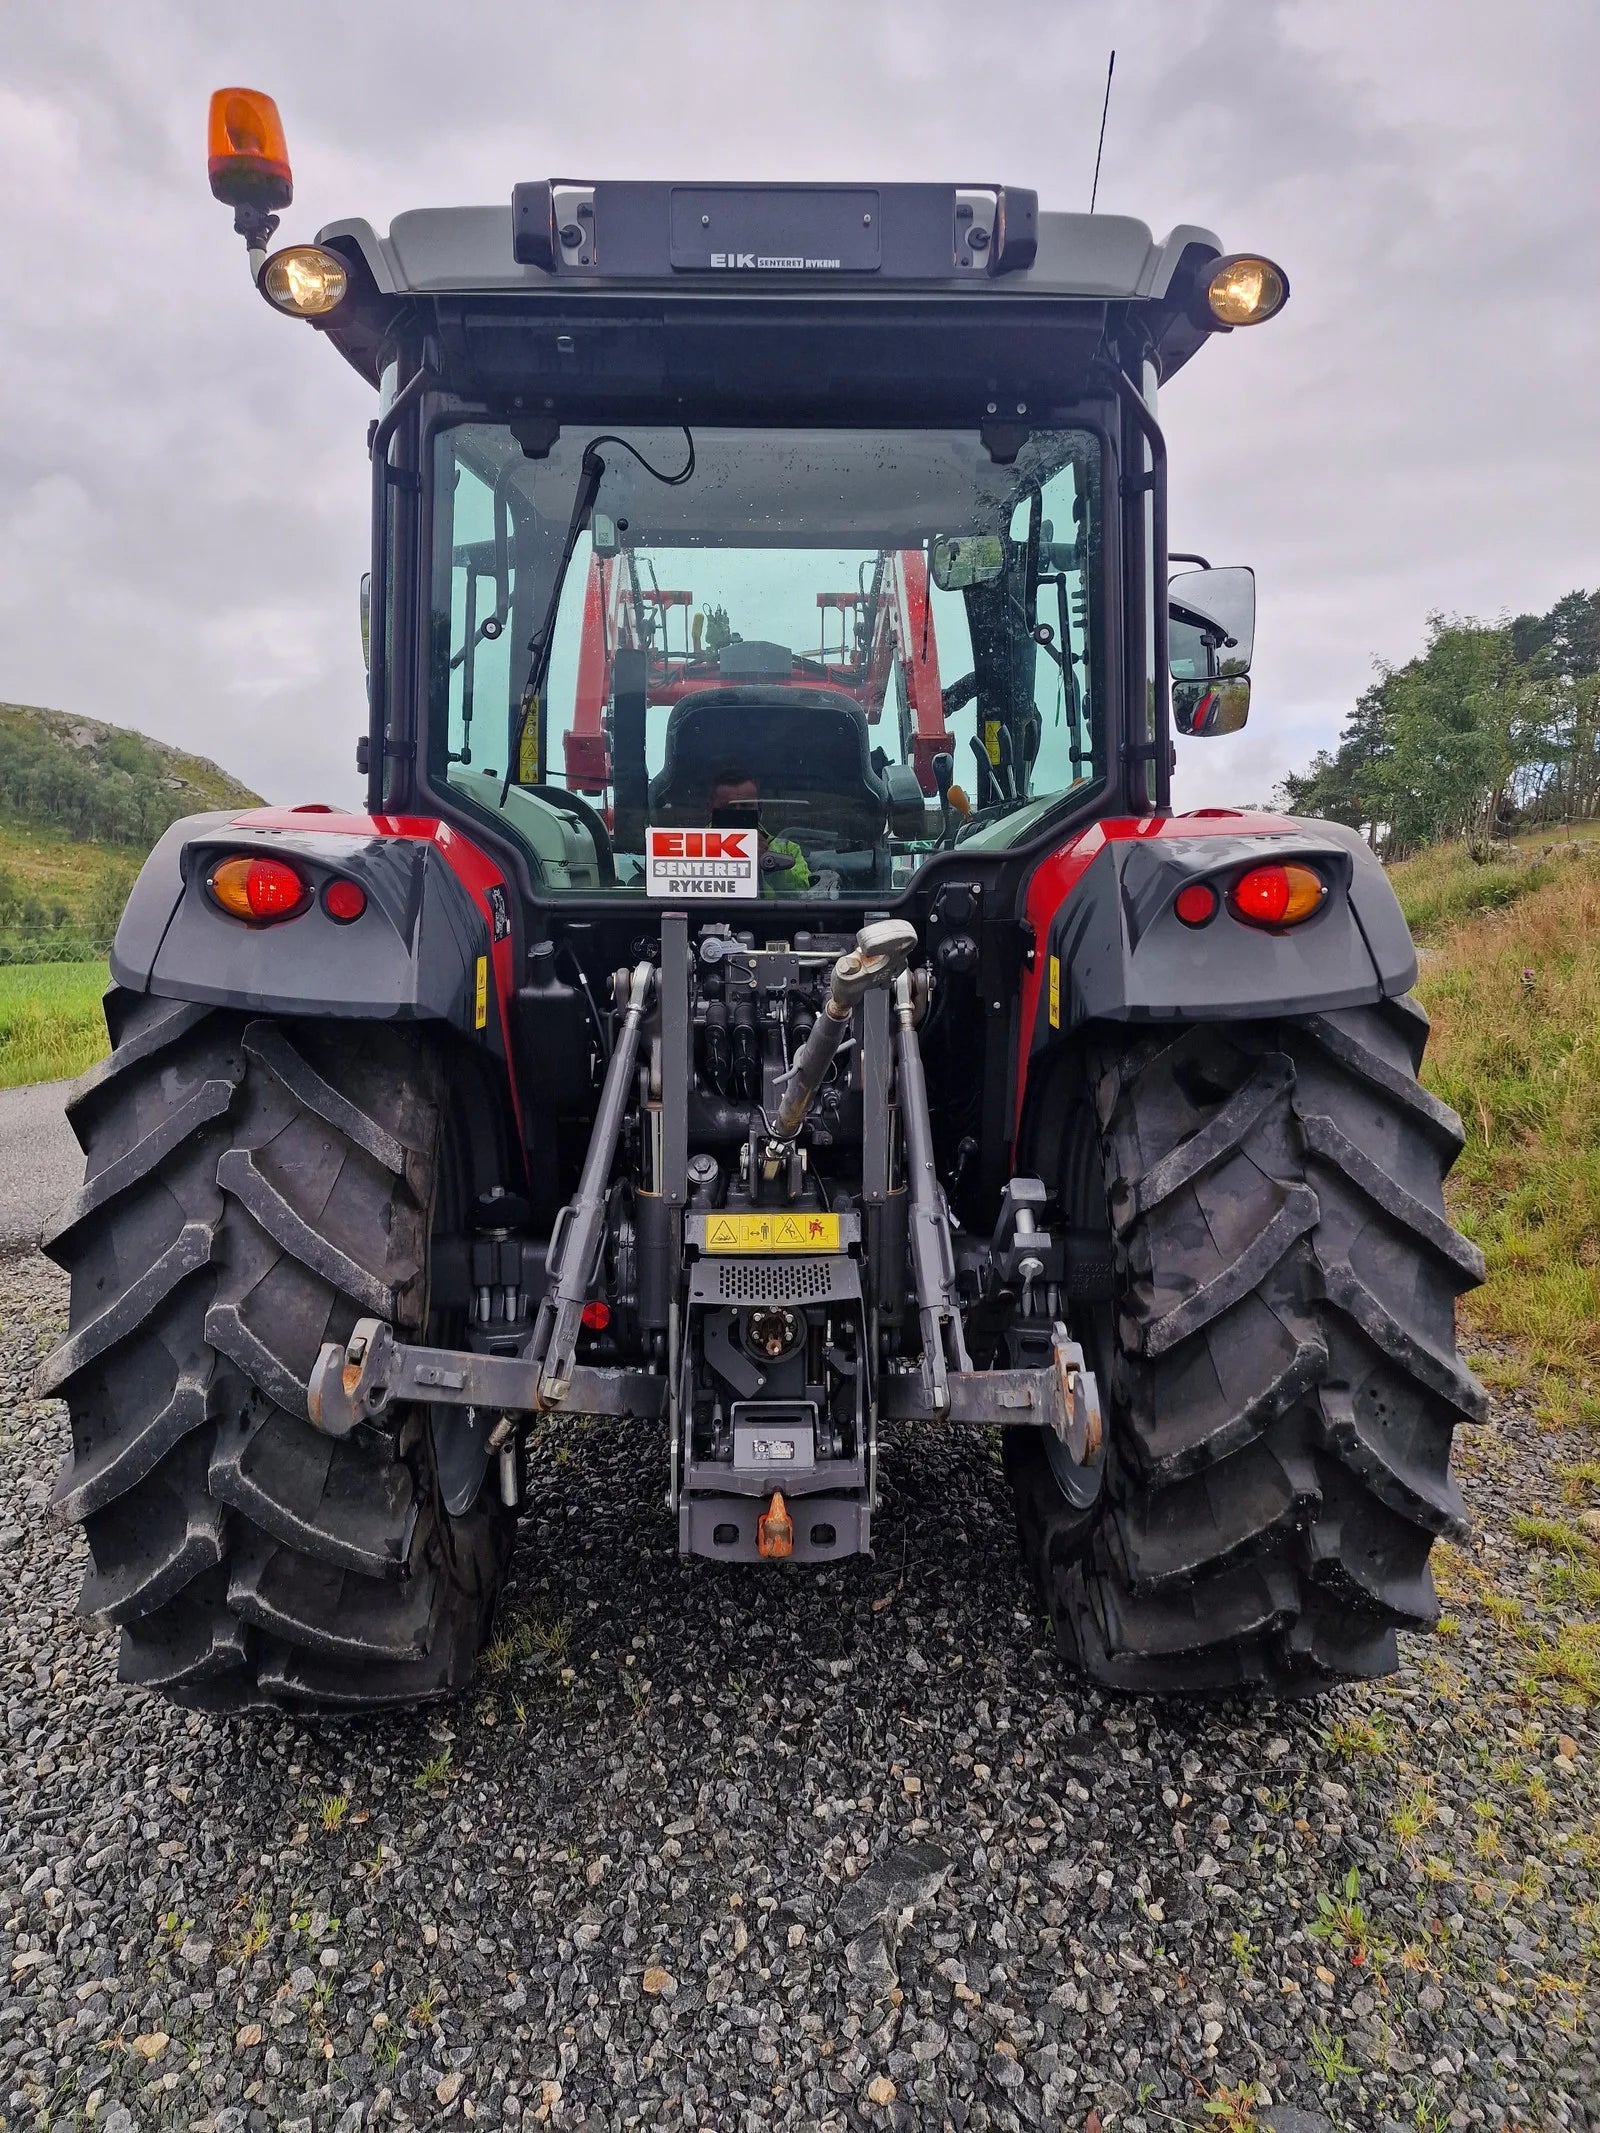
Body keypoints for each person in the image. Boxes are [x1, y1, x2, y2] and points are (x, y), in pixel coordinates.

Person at [708, 766, 811, 895]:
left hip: (769, 916)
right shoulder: (688, 848)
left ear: (759, 808)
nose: (738, 813)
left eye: (746, 805)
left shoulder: (788, 851)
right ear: (710, 808)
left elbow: (805, 896)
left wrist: (770, 863)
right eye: (729, 807)